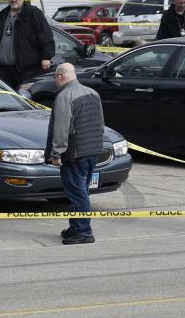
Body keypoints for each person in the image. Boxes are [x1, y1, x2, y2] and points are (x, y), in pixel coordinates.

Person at [45, 63, 104, 245]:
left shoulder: (64, 96)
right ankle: (76, 226)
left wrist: (56, 154)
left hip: (74, 153)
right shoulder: (92, 93)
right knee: (81, 191)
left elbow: (61, 129)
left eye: (55, 77)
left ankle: (84, 232)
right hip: (92, 150)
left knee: (77, 193)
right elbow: (100, 124)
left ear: (60, 77)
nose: (55, 81)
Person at [0, 0, 55, 89]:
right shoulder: (2, 16)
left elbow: (45, 34)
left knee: (23, 98)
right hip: (3, 70)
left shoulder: (33, 13)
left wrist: (46, 57)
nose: (13, 0)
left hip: (25, 70)